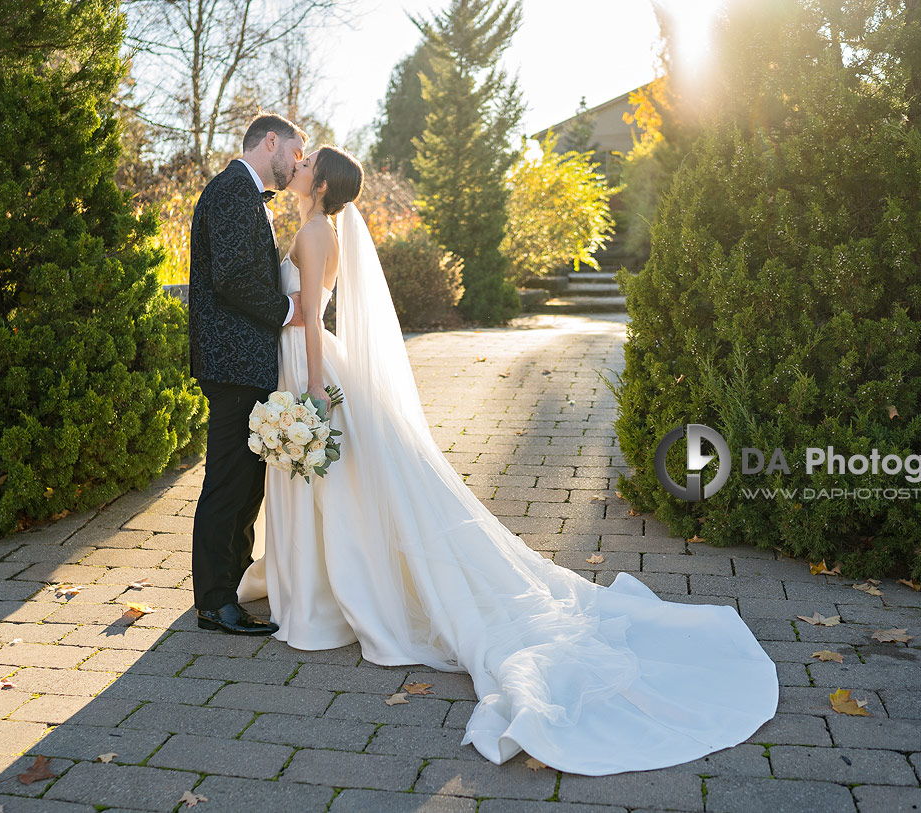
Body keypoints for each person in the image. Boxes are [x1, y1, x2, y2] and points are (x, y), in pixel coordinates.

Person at [236, 145, 780, 776]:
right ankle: (319, 587)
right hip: (320, 359)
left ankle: (325, 597)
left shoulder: (311, 230)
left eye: (306, 165)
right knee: (348, 487)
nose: (296, 168)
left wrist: (308, 391)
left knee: (337, 485)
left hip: (311, 362)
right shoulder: (326, 229)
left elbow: (304, 315)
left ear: (321, 184)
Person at [188, 113, 307, 636]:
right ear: (272, 141)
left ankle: (230, 585)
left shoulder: (244, 192)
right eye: (295, 155)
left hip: (245, 363)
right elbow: (233, 278)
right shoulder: (233, 191)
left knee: (246, 482)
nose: (296, 165)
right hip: (233, 365)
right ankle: (215, 601)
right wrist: (288, 312)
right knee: (228, 483)